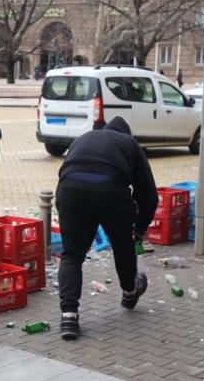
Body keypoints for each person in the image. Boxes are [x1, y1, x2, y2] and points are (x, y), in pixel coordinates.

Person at [55, 117, 158, 340]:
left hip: (71, 189)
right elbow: (149, 195)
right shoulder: (130, 144)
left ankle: (69, 316)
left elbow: (65, 174)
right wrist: (139, 229)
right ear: (127, 135)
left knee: (71, 255)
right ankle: (130, 293)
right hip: (110, 189)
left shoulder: (83, 138)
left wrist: (63, 209)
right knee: (123, 246)